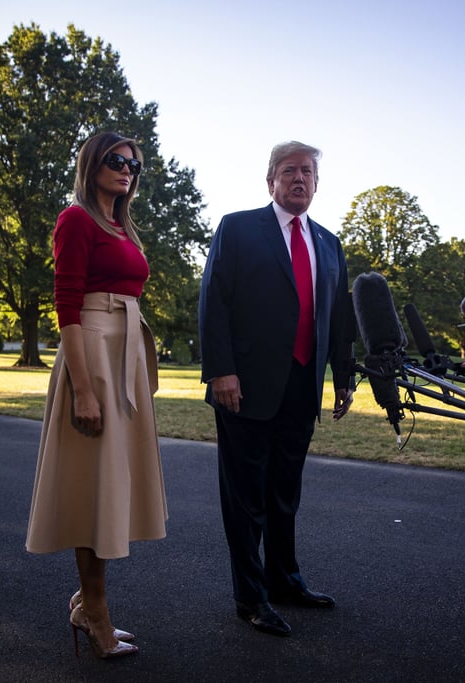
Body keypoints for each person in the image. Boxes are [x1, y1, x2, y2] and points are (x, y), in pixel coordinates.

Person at [198, 141, 355, 637]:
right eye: (289, 171)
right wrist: (221, 371)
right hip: (242, 388)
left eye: (307, 172)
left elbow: (338, 318)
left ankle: (285, 580)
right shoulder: (238, 228)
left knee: (285, 493)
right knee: (246, 499)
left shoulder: (329, 244)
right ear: (270, 182)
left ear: (317, 183)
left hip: (302, 387)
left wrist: (344, 376)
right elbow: (214, 303)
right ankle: (251, 598)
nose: (299, 179)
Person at [26, 132, 167, 659]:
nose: (127, 168)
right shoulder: (76, 219)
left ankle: (91, 604)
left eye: (134, 163)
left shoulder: (121, 227)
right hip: (92, 358)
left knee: (108, 487)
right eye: (116, 160)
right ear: (91, 163)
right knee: (94, 488)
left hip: (121, 359)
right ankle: (96, 612)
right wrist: (83, 389)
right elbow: (66, 305)